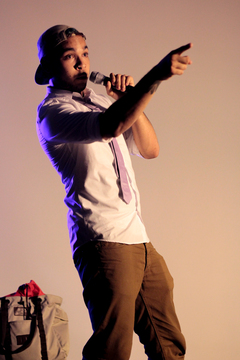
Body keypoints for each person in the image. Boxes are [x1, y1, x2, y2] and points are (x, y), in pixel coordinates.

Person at [35, 25, 192, 360]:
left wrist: (127, 98)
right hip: (103, 240)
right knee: (113, 350)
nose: (81, 63)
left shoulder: (103, 101)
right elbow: (110, 127)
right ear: (48, 67)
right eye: (69, 56)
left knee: (169, 344)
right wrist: (155, 78)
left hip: (138, 236)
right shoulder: (52, 112)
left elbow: (150, 149)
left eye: (85, 53)